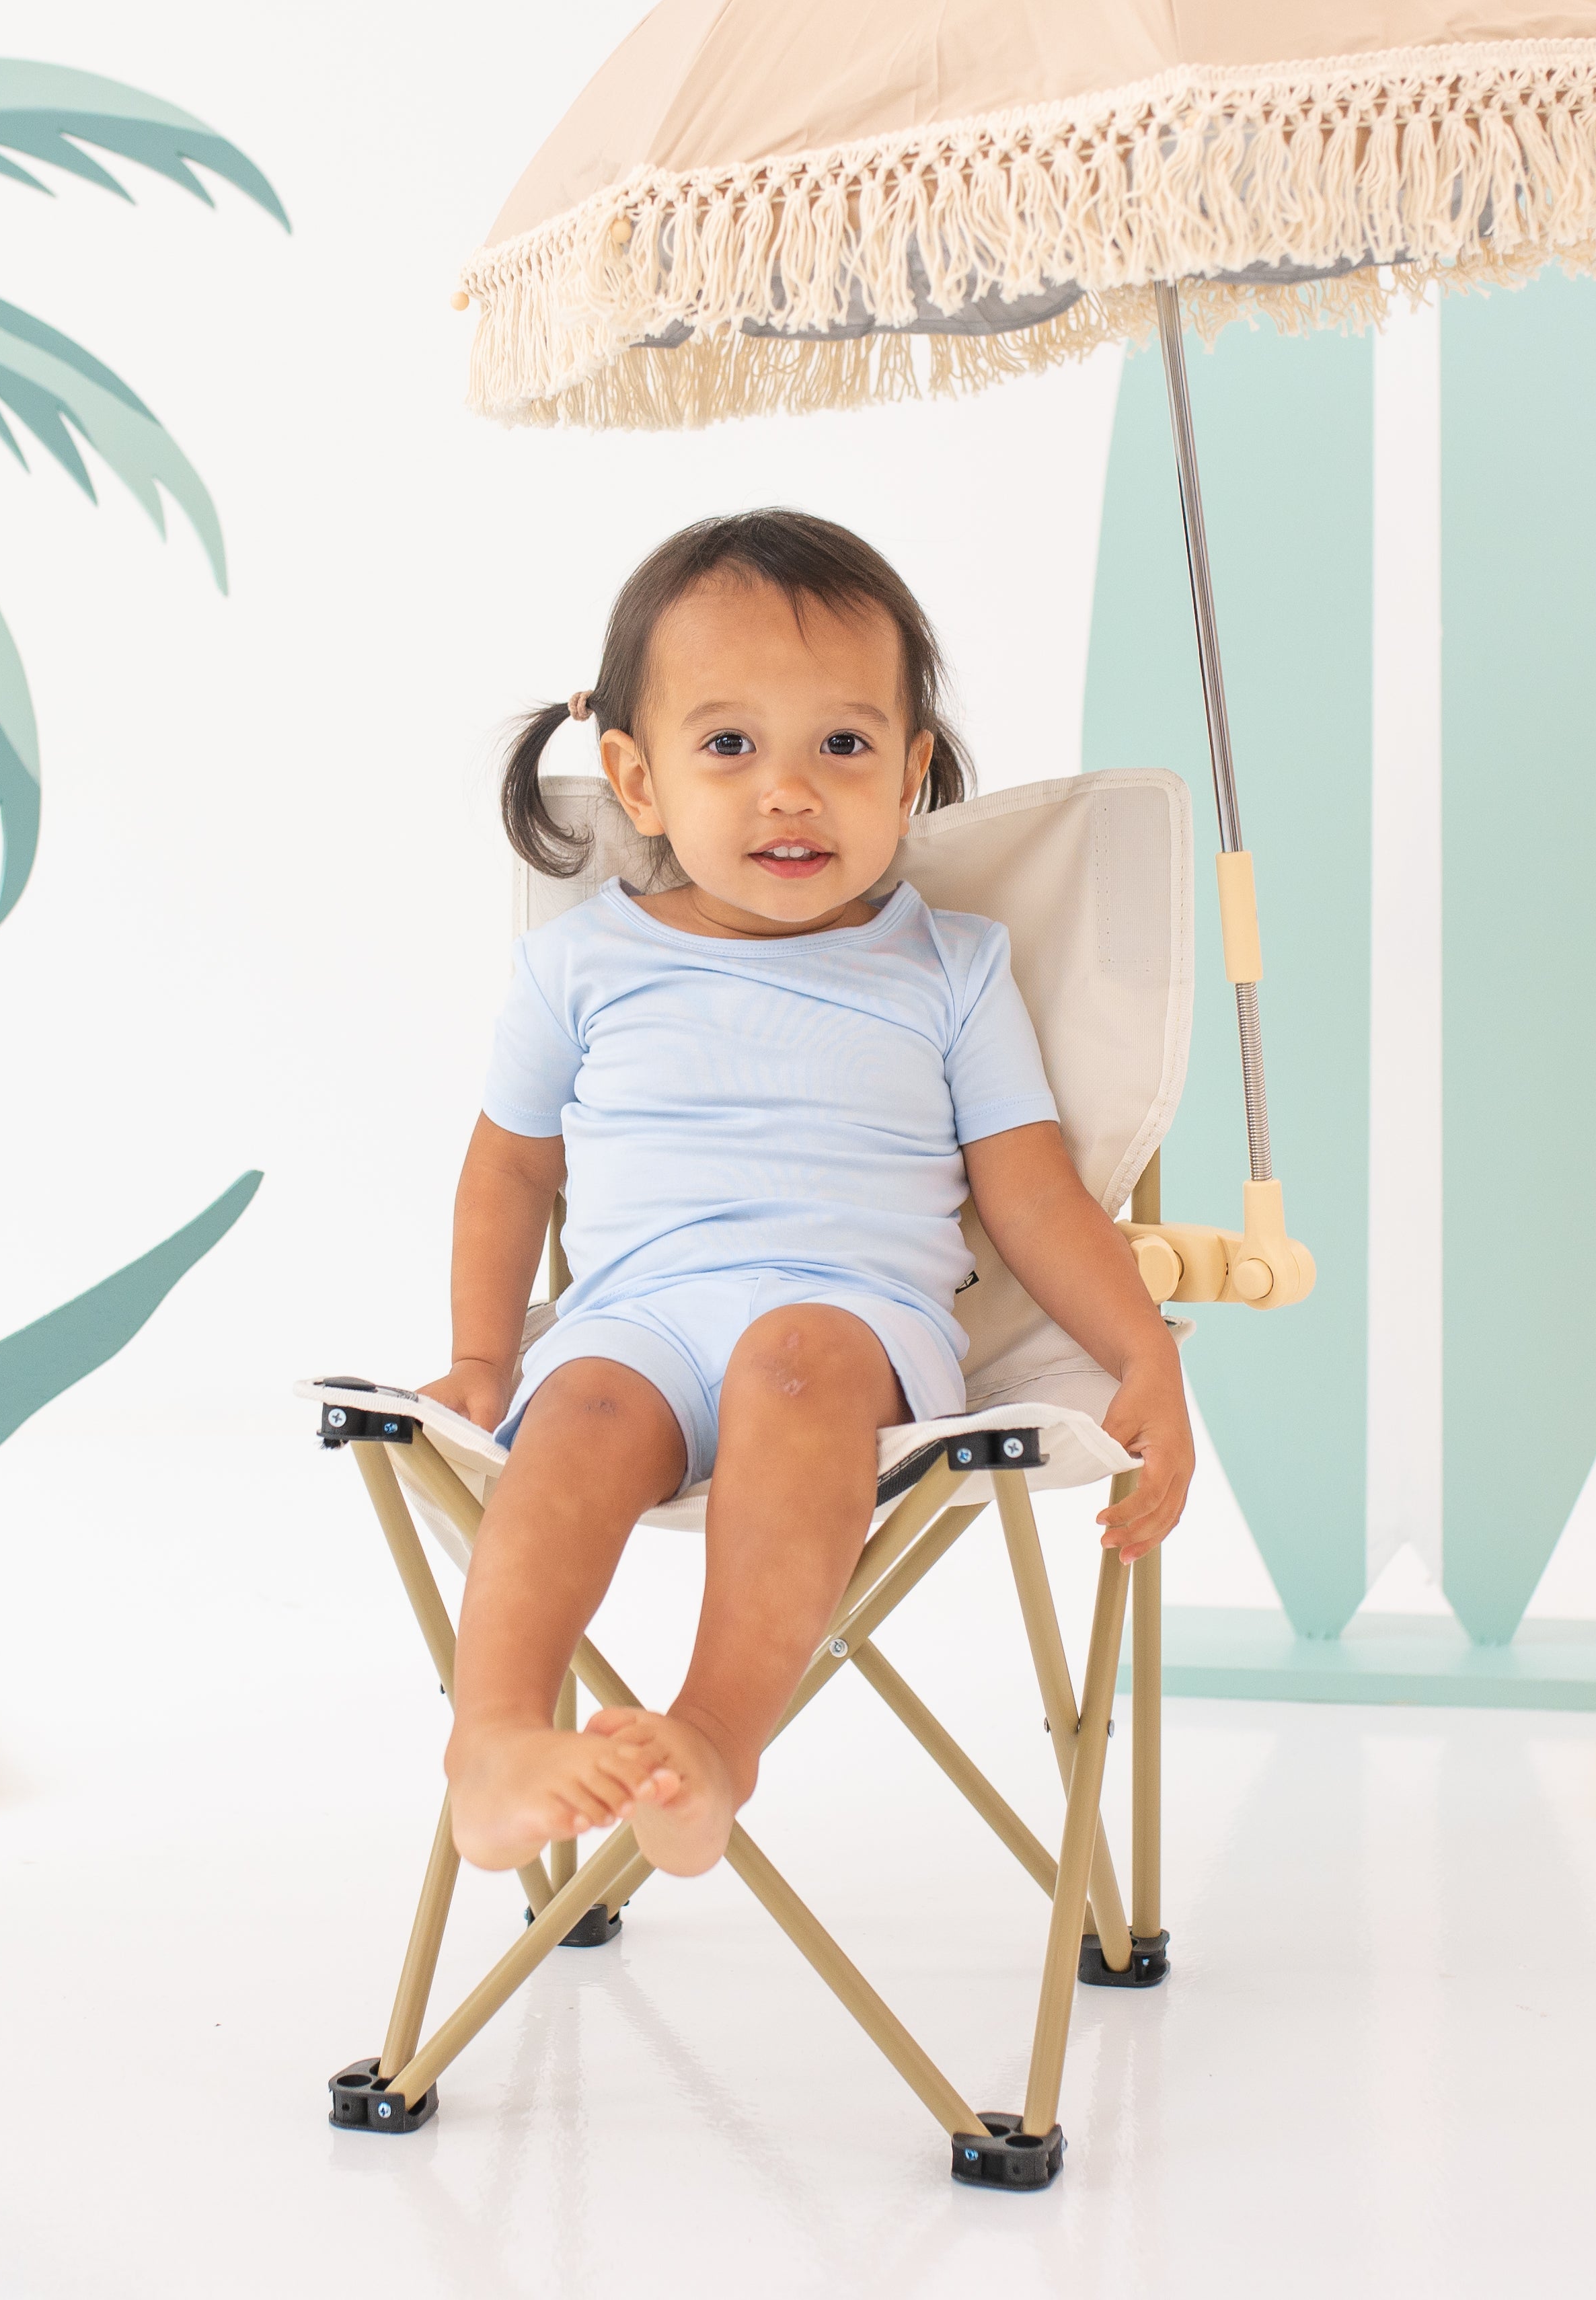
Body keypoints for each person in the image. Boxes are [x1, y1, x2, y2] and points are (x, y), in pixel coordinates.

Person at [425, 510, 1196, 1880]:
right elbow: (510, 1165)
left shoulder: (951, 967)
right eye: (729, 745)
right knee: (580, 1406)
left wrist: (1141, 1352)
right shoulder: (580, 966)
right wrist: (486, 1360)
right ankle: (492, 1738)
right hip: (637, 1324)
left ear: (911, 776)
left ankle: (711, 1740)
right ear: (636, 778)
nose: (789, 791)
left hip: (853, 1333)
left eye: (841, 746)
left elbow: (1032, 1192)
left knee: (795, 1354)